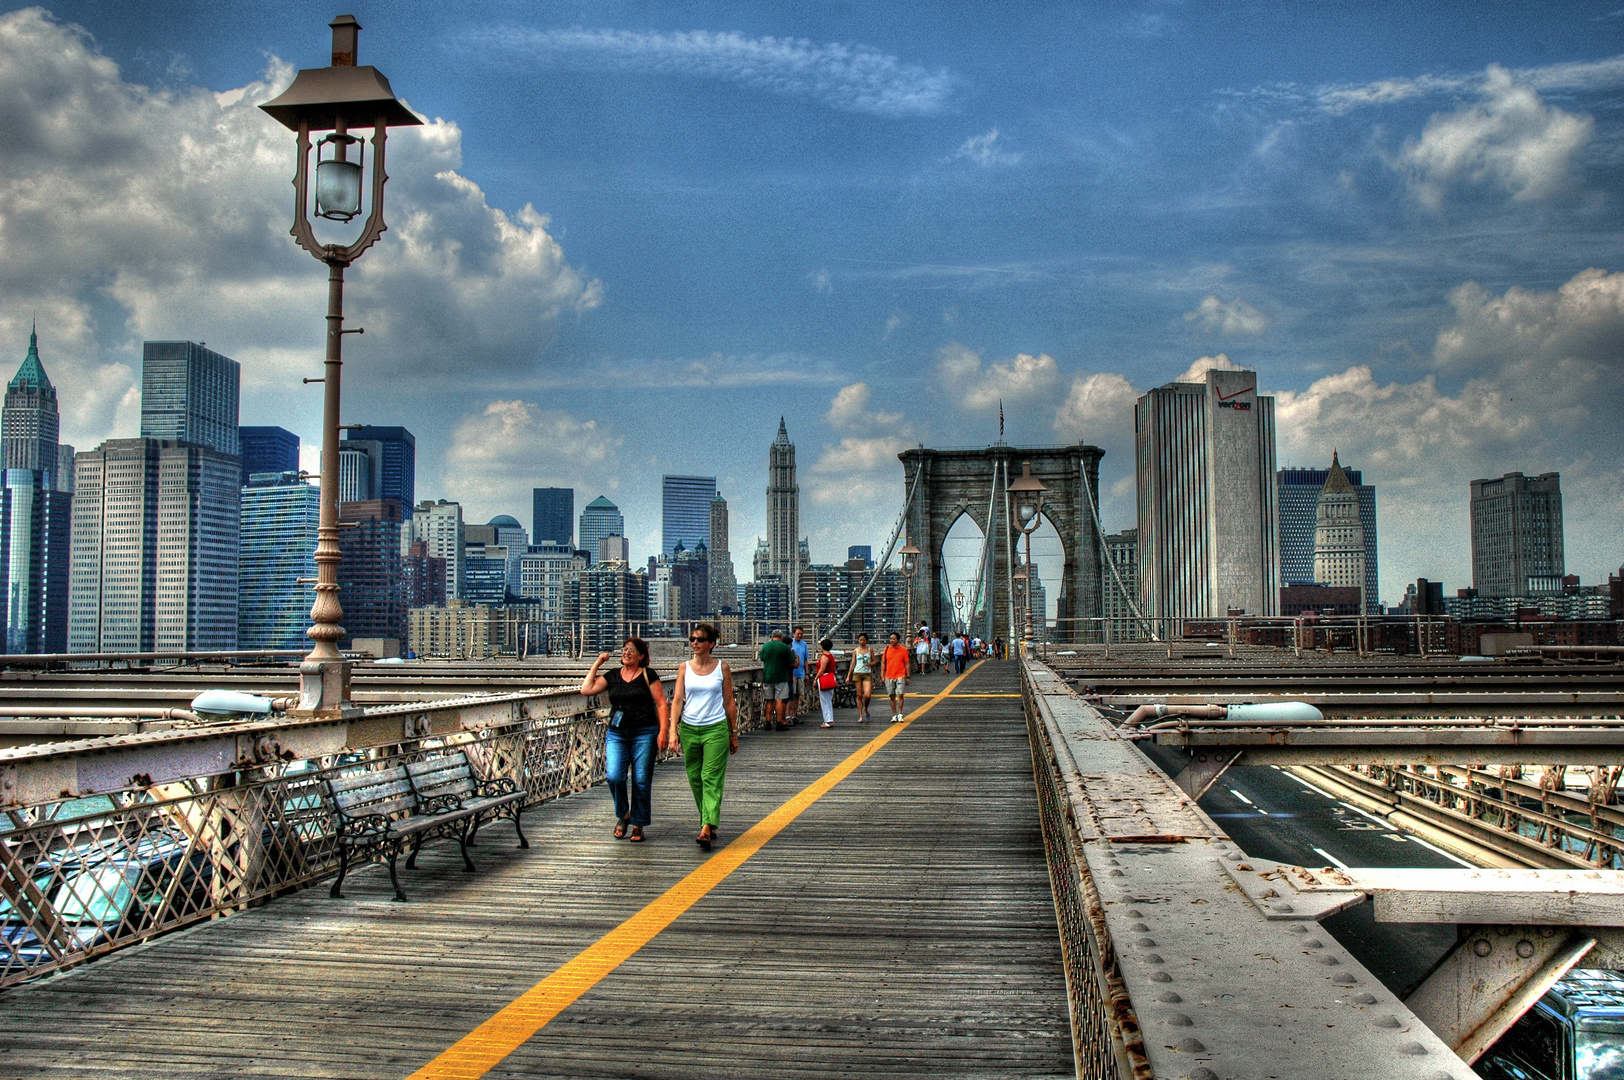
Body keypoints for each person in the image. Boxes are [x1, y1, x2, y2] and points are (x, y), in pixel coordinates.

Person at [581, 638, 669, 843]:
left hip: (645, 732)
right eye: (624, 650)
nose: (626, 653)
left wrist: (663, 732)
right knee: (614, 776)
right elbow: (586, 689)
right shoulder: (612, 675)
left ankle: (638, 823)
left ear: (641, 656)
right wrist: (597, 663)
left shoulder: (648, 674)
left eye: (632, 650)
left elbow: (661, 704)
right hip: (617, 733)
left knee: (641, 779)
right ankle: (624, 814)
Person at [669, 623, 737, 851]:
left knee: (710, 777)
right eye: (692, 639)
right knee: (694, 777)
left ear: (711, 644)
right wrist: (672, 731)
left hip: (715, 729)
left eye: (700, 639)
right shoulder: (684, 668)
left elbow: (729, 701)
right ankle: (709, 820)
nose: (695, 643)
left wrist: (733, 733)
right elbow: (677, 701)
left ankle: (706, 827)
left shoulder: (722, 668)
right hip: (689, 728)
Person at [758, 629, 795, 731]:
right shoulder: (784, 647)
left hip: (768, 676)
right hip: (781, 676)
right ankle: (779, 723)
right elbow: (792, 662)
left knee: (769, 700)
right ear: (782, 638)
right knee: (779, 700)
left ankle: (768, 722)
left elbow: (762, 657)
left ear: (772, 637)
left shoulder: (766, 645)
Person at [881, 631, 911, 723]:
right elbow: (883, 663)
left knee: (900, 694)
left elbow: (907, 663)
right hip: (889, 676)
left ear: (898, 640)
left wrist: (908, 676)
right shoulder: (887, 649)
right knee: (892, 696)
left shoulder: (903, 650)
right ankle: (894, 715)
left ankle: (900, 714)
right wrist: (882, 675)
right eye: (890, 639)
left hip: (900, 675)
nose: (891, 640)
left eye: (893, 639)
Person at [846, 633, 876, 722]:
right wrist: (848, 676)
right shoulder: (855, 651)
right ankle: (860, 715)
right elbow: (853, 663)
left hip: (867, 673)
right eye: (860, 640)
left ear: (866, 641)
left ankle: (865, 708)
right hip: (857, 673)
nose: (862, 642)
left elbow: (875, 661)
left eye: (863, 640)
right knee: (859, 695)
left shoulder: (870, 650)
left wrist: (870, 664)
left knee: (867, 695)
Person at [814, 637, 839, 728]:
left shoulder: (825, 656)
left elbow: (822, 669)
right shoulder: (831, 656)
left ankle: (827, 720)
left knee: (824, 700)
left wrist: (816, 678)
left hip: (825, 678)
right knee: (828, 700)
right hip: (831, 677)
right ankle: (829, 719)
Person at [788, 626, 809, 725]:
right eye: (798, 634)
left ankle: (794, 715)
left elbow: (805, 660)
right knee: (790, 696)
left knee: (797, 696)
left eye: (801, 634)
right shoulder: (790, 644)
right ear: (793, 634)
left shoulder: (804, 644)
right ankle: (788, 716)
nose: (800, 635)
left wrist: (807, 673)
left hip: (801, 673)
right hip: (792, 674)